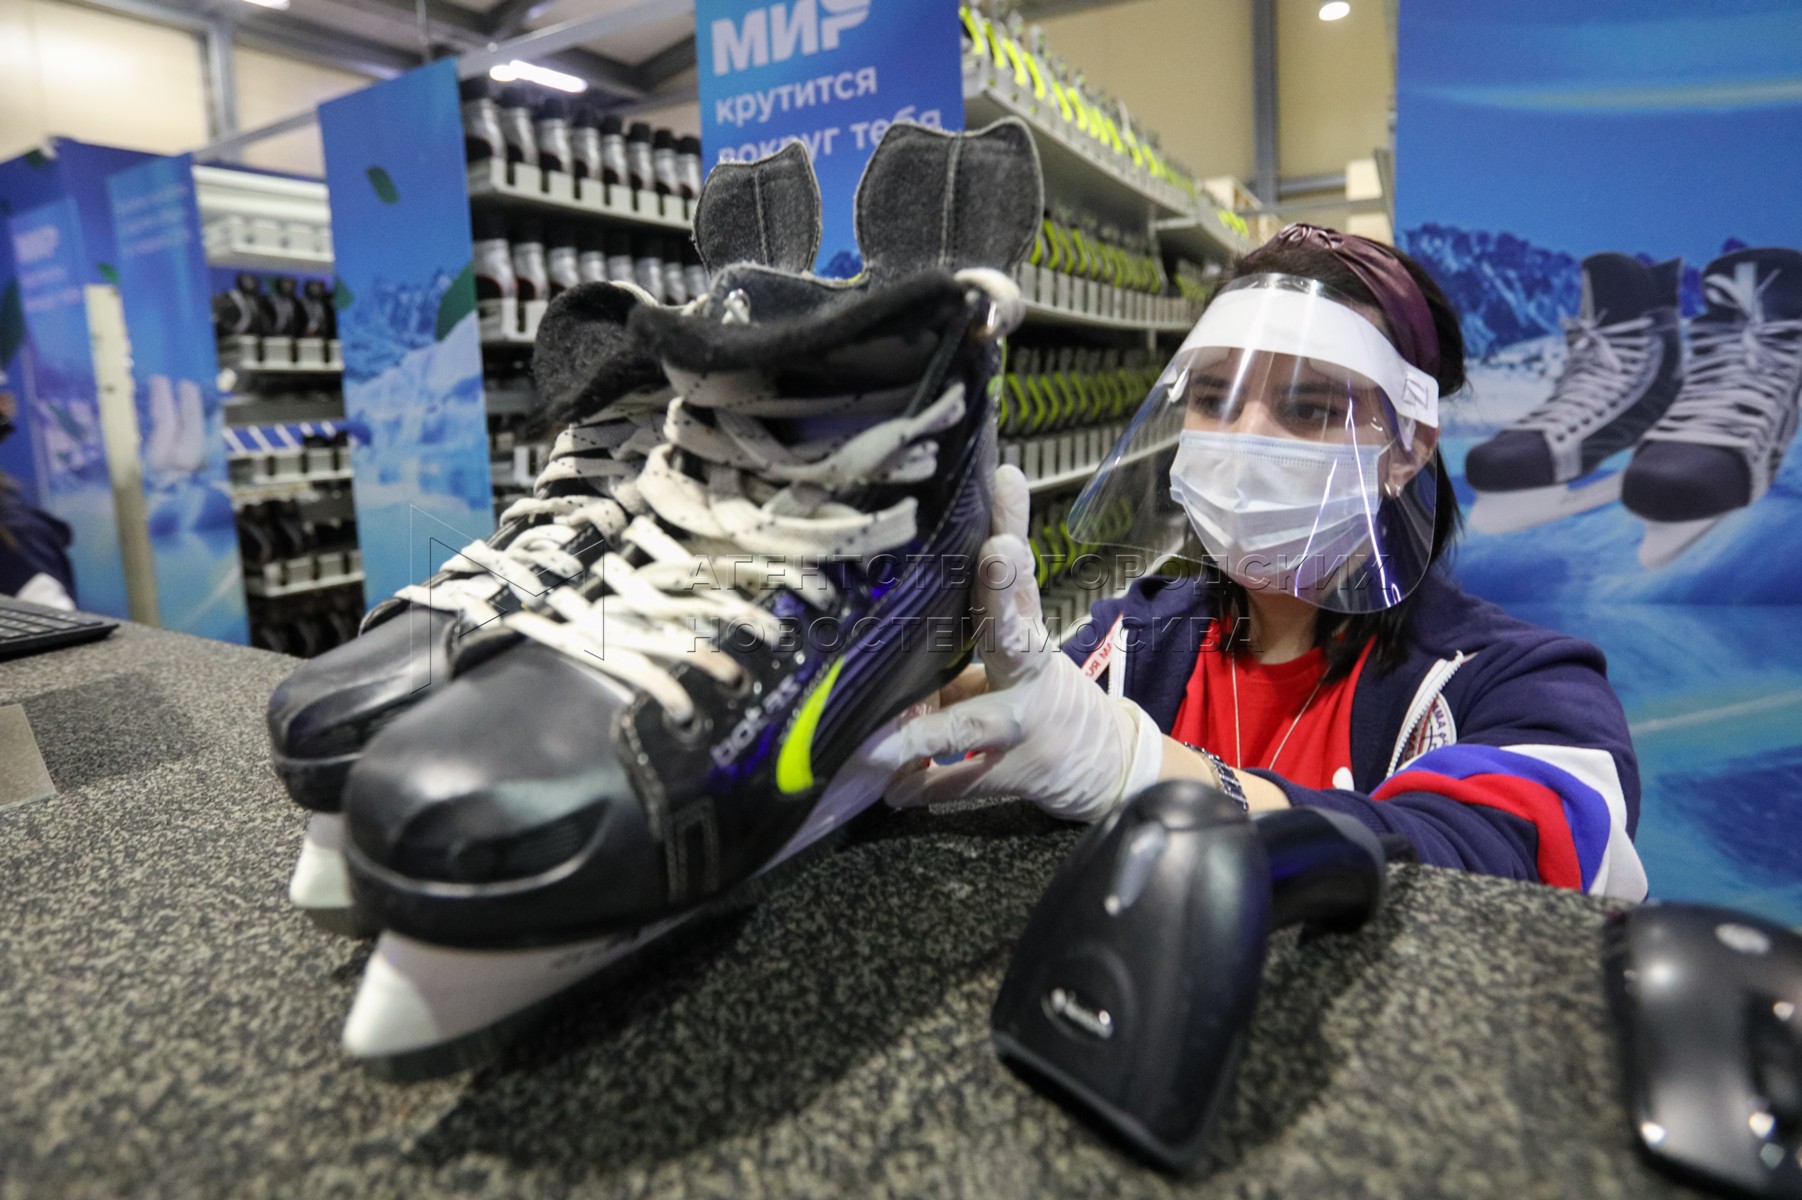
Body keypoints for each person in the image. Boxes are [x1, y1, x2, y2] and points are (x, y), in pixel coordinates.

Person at [872, 224, 1647, 900]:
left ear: (1407, 449)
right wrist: (913, 691)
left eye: (1309, 409)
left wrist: (1139, 767)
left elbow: (1515, 860)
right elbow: (1027, 733)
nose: (1245, 440)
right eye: (1215, 399)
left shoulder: (1520, 683)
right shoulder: (1134, 640)